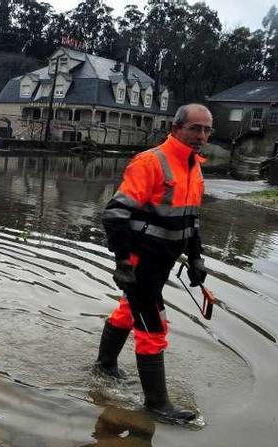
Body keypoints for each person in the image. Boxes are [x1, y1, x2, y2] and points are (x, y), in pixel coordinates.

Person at [95, 103, 213, 422]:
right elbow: (114, 213)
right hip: (140, 260)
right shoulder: (151, 162)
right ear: (175, 129)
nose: (201, 136)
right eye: (195, 128)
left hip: (164, 260)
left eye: (206, 130)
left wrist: (197, 257)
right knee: (153, 328)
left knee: (126, 311)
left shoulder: (194, 167)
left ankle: (104, 365)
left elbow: (191, 219)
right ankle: (157, 406)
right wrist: (122, 262)